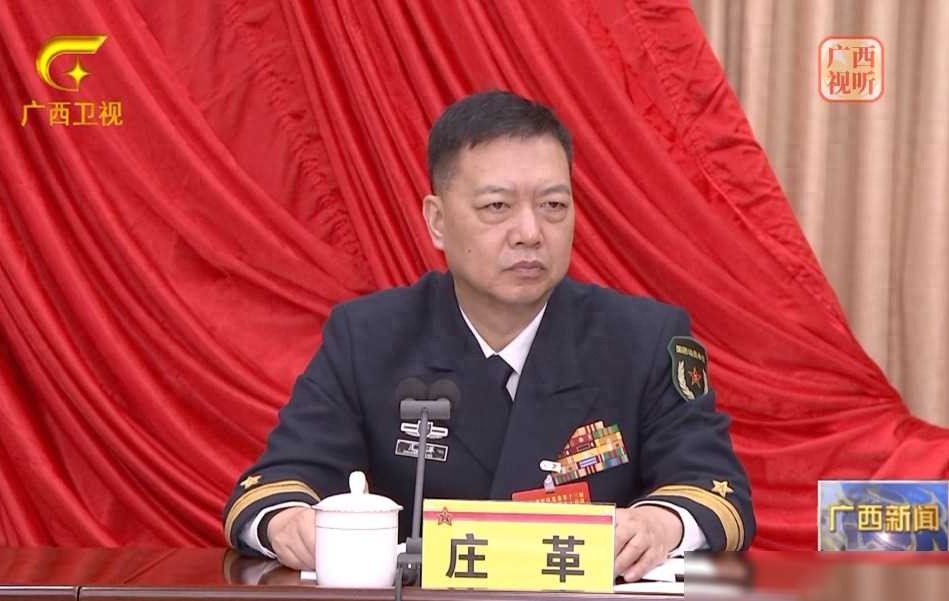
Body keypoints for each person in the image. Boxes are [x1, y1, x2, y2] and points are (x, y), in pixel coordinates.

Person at [223, 90, 755, 581]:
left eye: (553, 206)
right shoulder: (369, 338)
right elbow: (273, 489)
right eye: (497, 207)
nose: (530, 233)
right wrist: (292, 525)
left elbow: (716, 492)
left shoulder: (642, 339)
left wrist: (662, 523)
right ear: (437, 222)